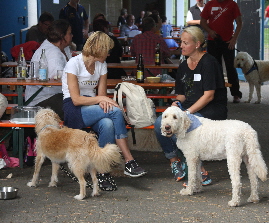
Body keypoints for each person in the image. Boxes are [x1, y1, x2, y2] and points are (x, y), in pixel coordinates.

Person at [62, 31, 147, 181]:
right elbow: (75, 99)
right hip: (73, 108)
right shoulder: (73, 64)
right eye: (107, 50)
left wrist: (102, 99)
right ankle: (128, 160)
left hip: (92, 105)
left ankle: (101, 171)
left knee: (107, 124)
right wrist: (101, 99)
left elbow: (102, 97)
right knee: (115, 112)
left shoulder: (101, 65)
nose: (108, 54)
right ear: (100, 49)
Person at [154, 26, 228, 186]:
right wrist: (175, 103)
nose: (181, 45)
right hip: (188, 108)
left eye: (185, 43)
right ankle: (174, 161)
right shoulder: (182, 66)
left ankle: (198, 172)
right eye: (181, 42)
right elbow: (182, 94)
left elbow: (209, 95)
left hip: (211, 108)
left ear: (197, 44)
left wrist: (186, 113)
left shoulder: (209, 62)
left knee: (186, 127)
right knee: (160, 123)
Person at [25, 19, 72, 120]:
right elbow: (58, 78)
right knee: (76, 109)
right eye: (69, 33)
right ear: (62, 35)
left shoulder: (64, 49)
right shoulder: (52, 52)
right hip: (42, 99)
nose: (72, 36)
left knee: (82, 103)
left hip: (55, 95)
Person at [200, 0, 243, 103]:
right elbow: (202, 22)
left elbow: (240, 22)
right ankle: (218, 94)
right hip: (213, 41)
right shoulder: (210, 4)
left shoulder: (232, 4)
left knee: (231, 68)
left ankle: (236, 93)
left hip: (228, 41)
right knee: (215, 68)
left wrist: (234, 39)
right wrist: (210, 31)